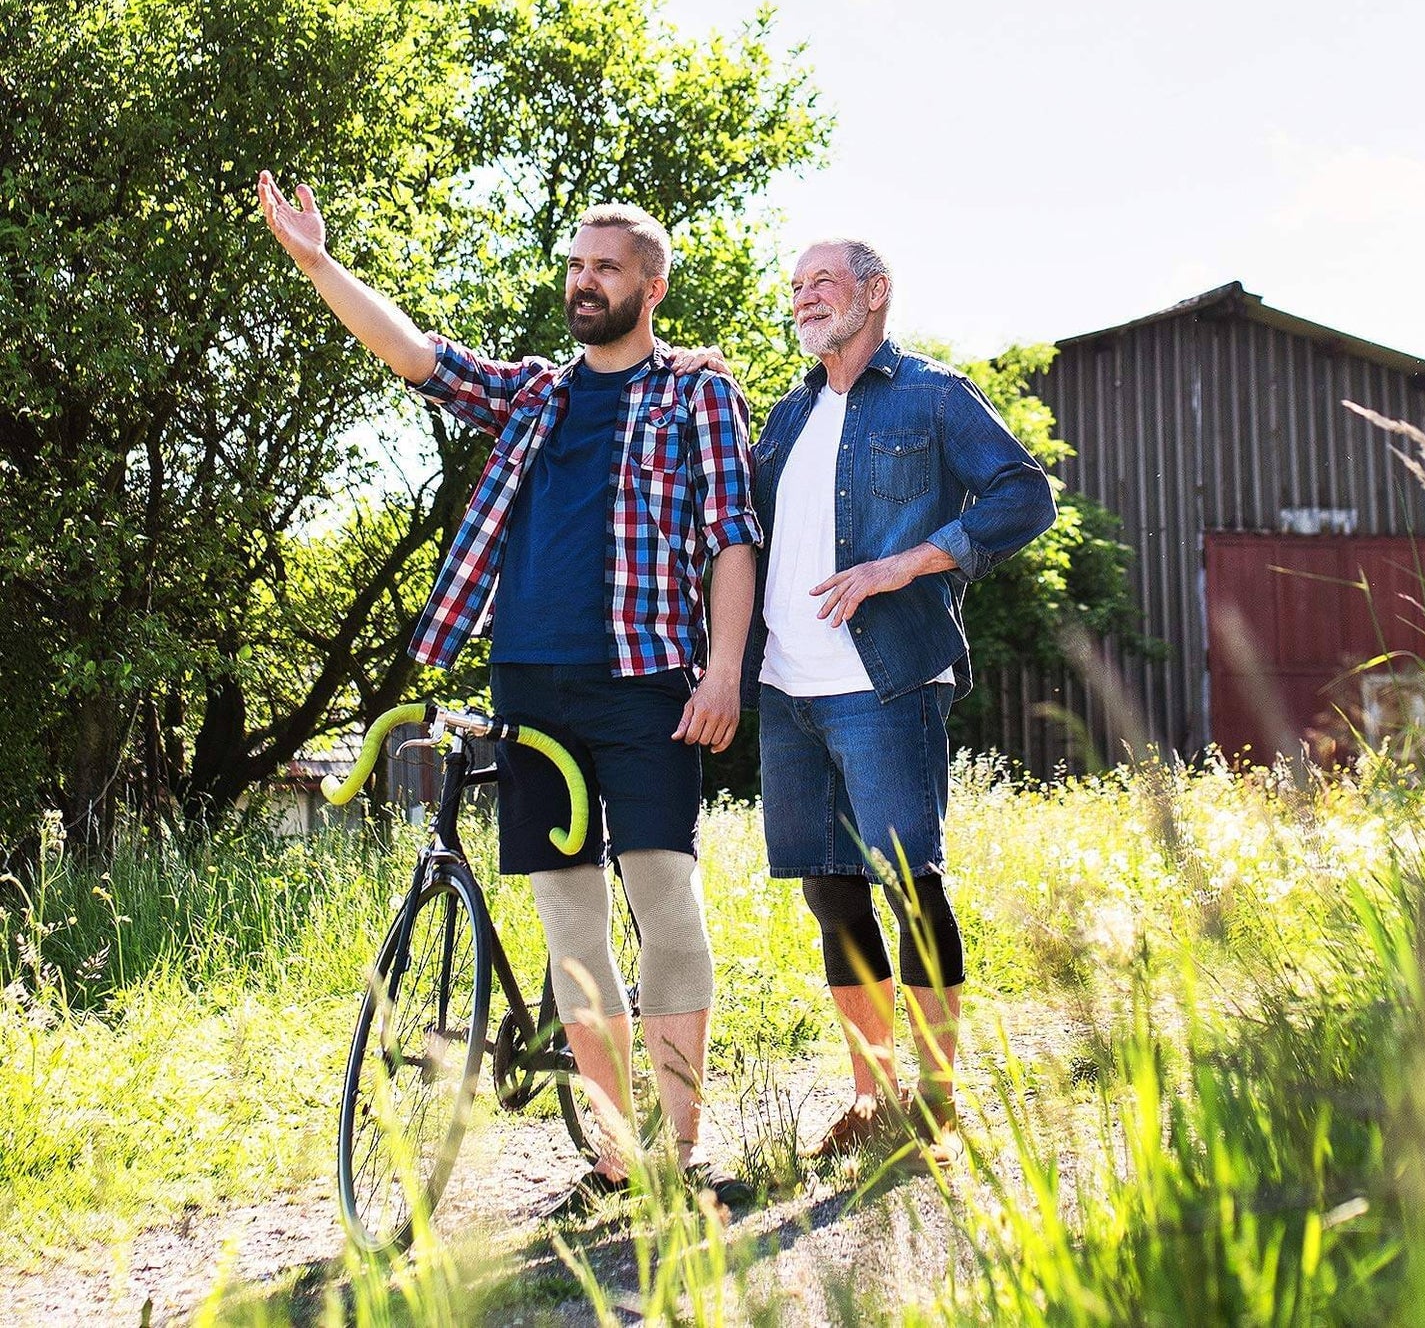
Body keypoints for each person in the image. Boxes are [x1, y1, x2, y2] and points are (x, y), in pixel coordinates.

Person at [257, 172, 760, 1215]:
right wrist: (316, 262)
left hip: (648, 684)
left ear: (650, 287)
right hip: (528, 685)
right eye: (575, 266)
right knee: (569, 923)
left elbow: (729, 539)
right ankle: (617, 1156)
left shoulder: (693, 393)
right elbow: (416, 355)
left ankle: (679, 1150)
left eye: (605, 268)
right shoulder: (536, 391)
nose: (583, 283)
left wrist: (721, 669)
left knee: (665, 898)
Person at [741, 238, 1056, 1165]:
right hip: (787, 687)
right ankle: (870, 1096)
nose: (803, 299)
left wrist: (904, 563)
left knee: (909, 884)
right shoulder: (786, 414)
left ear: (874, 294)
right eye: (795, 287)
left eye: (822, 284)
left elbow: (1022, 494)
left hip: (883, 683)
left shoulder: (933, 395)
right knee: (830, 892)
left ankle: (933, 1099)